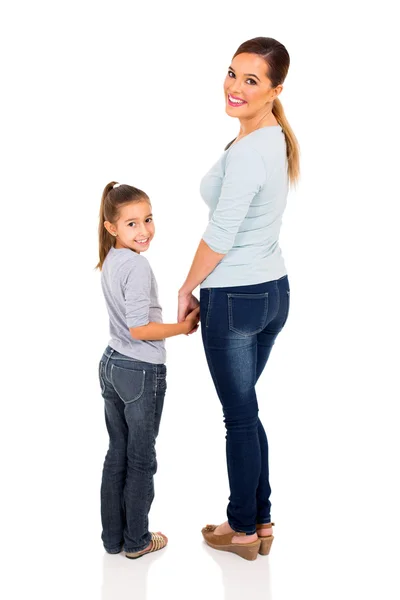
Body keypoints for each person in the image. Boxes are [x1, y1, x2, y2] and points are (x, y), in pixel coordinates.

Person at [178, 37, 300, 561]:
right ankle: (261, 520)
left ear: (275, 89)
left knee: (240, 417)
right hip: (273, 293)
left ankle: (242, 529)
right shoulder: (270, 137)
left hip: (235, 300)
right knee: (246, 411)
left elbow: (221, 234)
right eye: (232, 74)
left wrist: (187, 287)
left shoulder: (252, 151)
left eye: (251, 80)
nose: (235, 87)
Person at [97, 181, 200, 559]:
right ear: (112, 228)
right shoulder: (136, 266)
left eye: (148, 220)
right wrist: (183, 327)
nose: (144, 231)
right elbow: (140, 329)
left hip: (112, 364)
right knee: (140, 459)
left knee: (117, 454)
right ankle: (137, 540)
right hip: (139, 370)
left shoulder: (111, 259)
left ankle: (114, 539)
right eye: (132, 224)